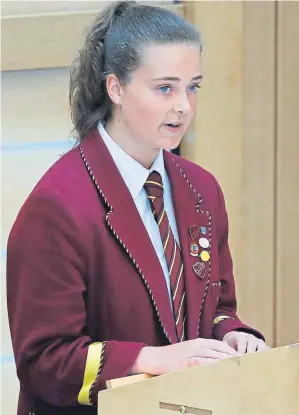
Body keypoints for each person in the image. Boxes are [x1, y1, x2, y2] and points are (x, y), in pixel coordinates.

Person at [7, 2, 268, 414]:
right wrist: (150, 360)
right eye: (165, 88)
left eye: (193, 86)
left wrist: (234, 335)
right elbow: (43, 361)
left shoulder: (202, 189)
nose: (183, 105)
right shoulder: (56, 207)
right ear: (116, 89)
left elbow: (218, 308)